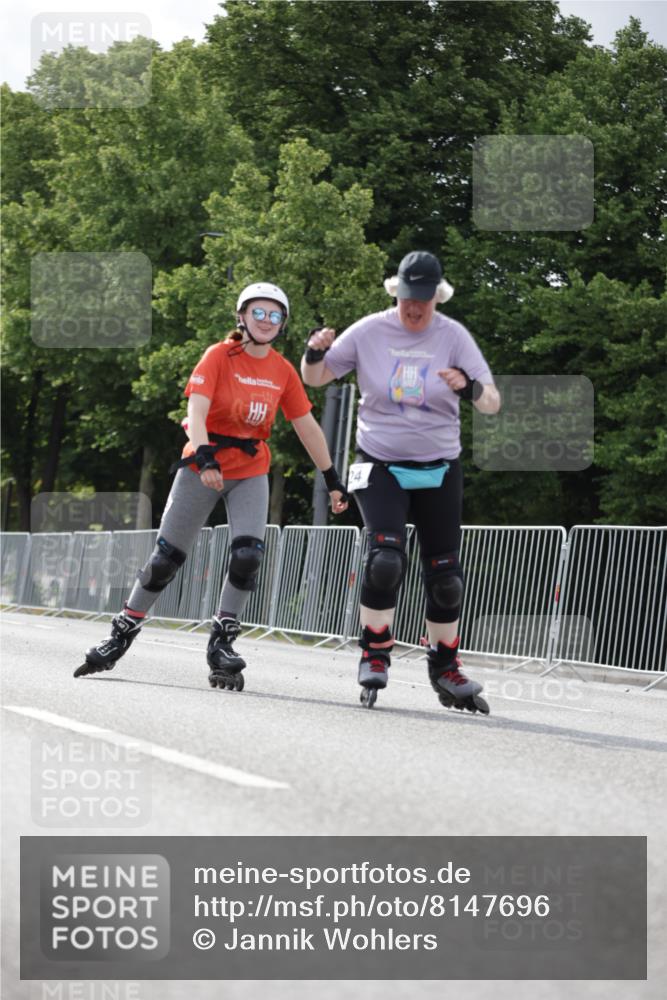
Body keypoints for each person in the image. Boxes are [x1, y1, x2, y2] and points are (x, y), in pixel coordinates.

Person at [75, 281, 348, 688]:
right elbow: (196, 412)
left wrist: (332, 478)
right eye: (259, 312)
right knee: (166, 559)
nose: (267, 321)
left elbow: (306, 426)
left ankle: (222, 641)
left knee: (248, 555)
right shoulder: (219, 356)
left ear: (283, 323)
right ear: (242, 316)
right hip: (203, 465)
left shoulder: (282, 371)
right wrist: (203, 457)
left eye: (275, 315)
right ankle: (121, 633)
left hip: (251, 469)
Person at [301, 251, 500, 711]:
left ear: (438, 298)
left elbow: (492, 401)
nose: (415, 310)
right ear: (397, 293)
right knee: (385, 559)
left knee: (446, 576)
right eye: (408, 300)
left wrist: (468, 387)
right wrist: (313, 351)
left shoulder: (453, 336)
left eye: (424, 302)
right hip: (381, 463)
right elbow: (316, 378)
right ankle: (375, 651)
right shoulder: (370, 330)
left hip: (439, 466)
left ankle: (445, 666)